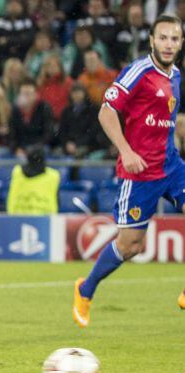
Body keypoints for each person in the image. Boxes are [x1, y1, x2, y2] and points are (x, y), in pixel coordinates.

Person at [74, 14, 185, 328]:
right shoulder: (138, 72)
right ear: (151, 40)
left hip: (171, 166)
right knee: (131, 246)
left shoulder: (176, 75)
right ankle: (85, 289)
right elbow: (107, 112)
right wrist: (126, 150)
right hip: (140, 173)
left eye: (174, 39)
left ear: (180, 43)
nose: (168, 44)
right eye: (162, 37)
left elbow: (163, 120)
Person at [5, 146, 59, 214]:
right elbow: (57, 200)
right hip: (45, 218)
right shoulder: (53, 175)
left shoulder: (17, 171)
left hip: (18, 217)